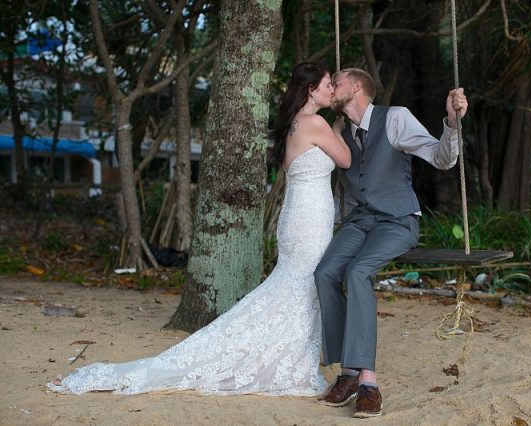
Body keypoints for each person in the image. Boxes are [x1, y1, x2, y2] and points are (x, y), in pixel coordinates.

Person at [47, 62, 350, 396]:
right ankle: (280, 357)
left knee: (298, 284)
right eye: (326, 84)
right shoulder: (315, 124)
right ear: (311, 90)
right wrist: (339, 126)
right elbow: (346, 160)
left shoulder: (295, 124)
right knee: (300, 283)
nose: (331, 90)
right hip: (308, 216)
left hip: (300, 214)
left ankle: (288, 354)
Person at [314, 68, 468, 418]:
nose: (330, 86)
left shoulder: (395, 118)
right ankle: (350, 372)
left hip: (396, 221)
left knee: (357, 273)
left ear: (355, 87)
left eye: (335, 81)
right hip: (359, 222)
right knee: (324, 272)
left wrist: (451, 120)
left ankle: (367, 381)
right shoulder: (341, 132)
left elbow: (443, 158)